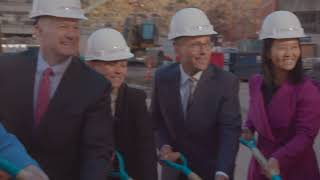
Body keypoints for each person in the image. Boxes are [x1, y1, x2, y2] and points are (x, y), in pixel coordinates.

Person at [0, 0, 114, 179]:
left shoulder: (95, 86)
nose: (72, 34)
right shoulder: (5, 69)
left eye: (75, 27)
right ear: (38, 31)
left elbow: (96, 153)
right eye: (63, 26)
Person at [151, 8, 241, 180]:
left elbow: (229, 133)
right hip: (174, 172)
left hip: (211, 173)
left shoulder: (226, 83)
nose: (204, 51)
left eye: (207, 43)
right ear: (177, 48)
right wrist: (164, 146)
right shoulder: (162, 78)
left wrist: (222, 172)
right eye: (195, 44)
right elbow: (156, 121)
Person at [242, 11, 320, 180]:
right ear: (268, 52)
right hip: (261, 168)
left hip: (295, 170)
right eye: (282, 47)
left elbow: (305, 136)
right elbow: (255, 113)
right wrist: (248, 127)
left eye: (294, 47)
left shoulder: (307, 89)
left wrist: (278, 159)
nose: (289, 53)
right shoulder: (256, 83)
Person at [84, 28, 158, 180]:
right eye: (111, 64)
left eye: (123, 65)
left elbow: (146, 152)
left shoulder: (135, 100)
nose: (119, 71)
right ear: (91, 65)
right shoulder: (78, 100)